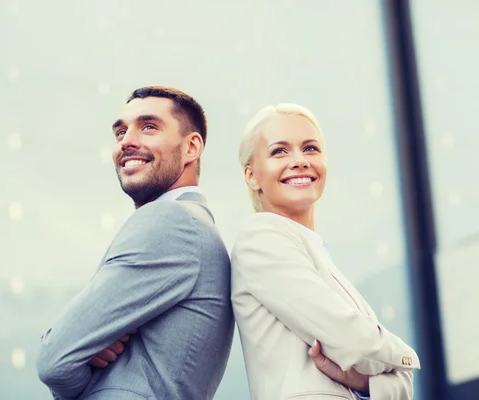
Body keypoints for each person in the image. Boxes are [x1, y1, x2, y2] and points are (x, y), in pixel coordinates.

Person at [36, 86, 234, 400]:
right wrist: (90, 346)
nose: (127, 141)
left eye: (149, 127)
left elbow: (54, 360)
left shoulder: (171, 220)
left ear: (191, 147)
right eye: (120, 132)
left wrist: (86, 362)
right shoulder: (196, 227)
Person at [231, 103, 421, 400]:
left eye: (310, 149)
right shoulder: (260, 239)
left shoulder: (316, 254)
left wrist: (364, 380)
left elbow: (401, 388)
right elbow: (352, 341)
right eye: (279, 151)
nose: (299, 161)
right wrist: (405, 357)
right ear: (252, 176)